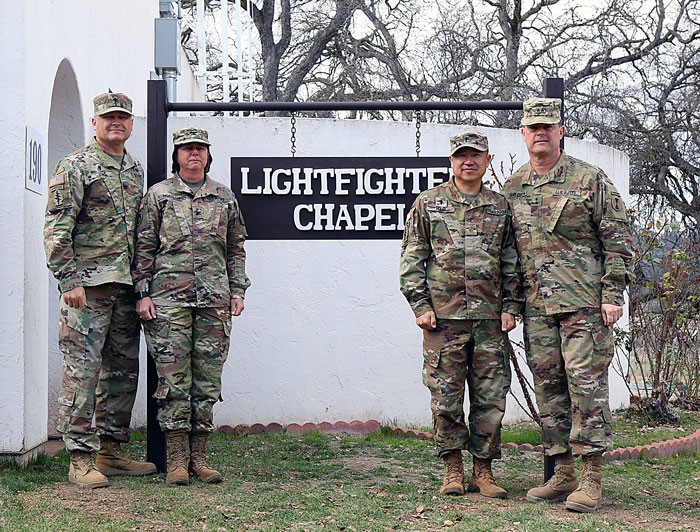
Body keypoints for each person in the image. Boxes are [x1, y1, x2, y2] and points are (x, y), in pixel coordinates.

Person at [502, 97, 634, 513]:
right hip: (538, 307)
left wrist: (613, 295)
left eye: (548, 127)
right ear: (523, 134)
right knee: (551, 391)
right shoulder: (514, 186)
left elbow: (618, 238)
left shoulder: (589, 178)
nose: (541, 133)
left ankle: (591, 477)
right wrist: (510, 303)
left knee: (586, 389)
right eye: (533, 127)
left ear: (560, 131)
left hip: (585, 305)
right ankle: (562, 472)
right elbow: (508, 252)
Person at [400, 131, 523, 498]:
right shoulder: (428, 204)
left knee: (490, 397)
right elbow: (412, 258)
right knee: (446, 396)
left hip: (489, 320)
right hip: (443, 320)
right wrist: (420, 306)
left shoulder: (500, 207)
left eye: (476, 155)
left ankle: (483, 472)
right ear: (451, 161)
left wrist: (511, 306)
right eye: (461, 155)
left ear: (488, 160)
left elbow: (511, 261)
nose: (468, 161)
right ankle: (452, 469)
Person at [44, 90, 156, 488]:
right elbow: (57, 228)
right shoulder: (75, 166)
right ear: (95, 123)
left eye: (123, 117)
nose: (116, 122)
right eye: (109, 117)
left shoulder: (133, 170)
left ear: (130, 124)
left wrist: (142, 286)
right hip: (87, 290)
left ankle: (111, 450)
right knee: (83, 372)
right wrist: (68, 279)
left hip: (125, 288)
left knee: (123, 373)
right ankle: (79, 457)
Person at [132, 127, 250, 486]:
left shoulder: (224, 198)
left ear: (208, 155)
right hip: (168, 304)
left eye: (200, 148)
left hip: (214, 301)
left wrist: (238, 290)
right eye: (187, 149)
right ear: (177, 156)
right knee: (173, 382)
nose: (194, 154)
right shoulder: (159, 196)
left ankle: (200, 458)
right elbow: (144, 247)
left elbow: (236, 248)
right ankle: (178, 462)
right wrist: (142, 293)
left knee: (207, 381)